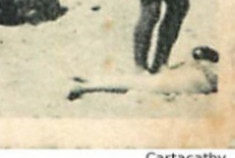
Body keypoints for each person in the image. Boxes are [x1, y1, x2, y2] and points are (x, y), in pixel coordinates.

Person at [69, 46, 218, 102]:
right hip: (194, 77)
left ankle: (88, 86)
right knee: (136, 81)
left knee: (136, 82)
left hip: (193, 79)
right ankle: (89, 83)